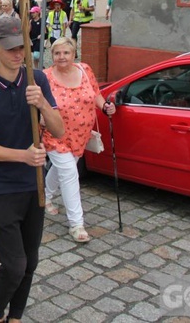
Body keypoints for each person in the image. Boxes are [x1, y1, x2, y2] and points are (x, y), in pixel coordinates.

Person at [0, 17, 64, 323]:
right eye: (10, 48)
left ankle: (16, 318)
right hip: (1, 187)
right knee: (15, 265)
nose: (18, 53)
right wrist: (23, 156)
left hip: (33, 186)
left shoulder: (38, 81)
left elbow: (59, 131)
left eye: (22, 46)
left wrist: (43, 106)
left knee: (31, 261)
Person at [43, 37, 115, 243]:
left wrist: (105, 107)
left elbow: (96, 94)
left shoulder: (85, 70)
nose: (61, 57)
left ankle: (45, 197)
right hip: (55, 135)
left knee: (60, 169)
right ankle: (77, 224)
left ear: (74, 54)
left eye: (66, 53)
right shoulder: (45, 76)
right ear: (52, 56)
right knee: (69, 173)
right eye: (57, 53)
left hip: (81, 134)